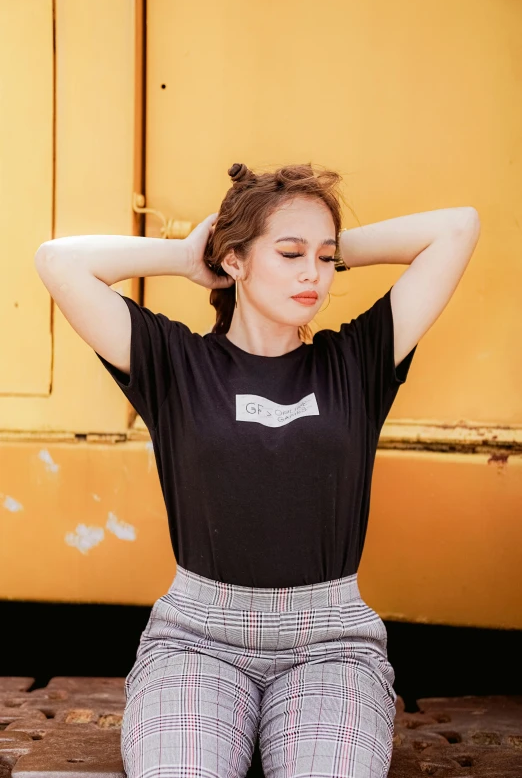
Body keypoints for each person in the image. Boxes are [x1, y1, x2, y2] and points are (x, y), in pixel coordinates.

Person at [34, 162, 480, 778]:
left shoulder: (358, 359)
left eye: (325, 261)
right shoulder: (174, 362)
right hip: (195, 640)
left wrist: (319, 242)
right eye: (290, 253)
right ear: (235, 262)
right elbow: (58, 261)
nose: (313, 275)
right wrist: (189, 256)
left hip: (332, 644)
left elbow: (457, 228)